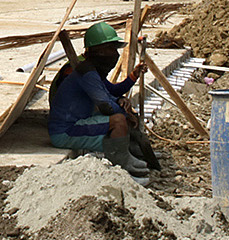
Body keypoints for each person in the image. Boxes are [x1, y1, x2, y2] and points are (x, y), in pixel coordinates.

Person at [47, 22, 160, 181]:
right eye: (111, 49)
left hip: (75, 122)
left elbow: (112, 91)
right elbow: (105, 104)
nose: (115, 55)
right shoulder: (86, 72)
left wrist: (133, 77)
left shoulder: (93, 71)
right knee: (118, 121)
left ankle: (127, 155)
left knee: (120, 119)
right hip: (65, 131)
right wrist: (126, 114)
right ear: (99, 51)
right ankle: (123, 171)